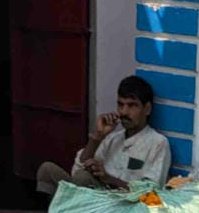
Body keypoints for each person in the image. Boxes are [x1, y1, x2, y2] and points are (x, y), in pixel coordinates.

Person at [36, 74, 171, 196]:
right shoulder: (113, 138)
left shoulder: (158, 143)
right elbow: (76, 170)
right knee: (47, 170)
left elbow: (150, 193)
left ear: (147, 109)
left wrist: (108, 179)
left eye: (132, 106)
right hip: (95, 196)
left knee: (82, 179)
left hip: (123, 205)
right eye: (120, 105)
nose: (124, 112)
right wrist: (97, 137)